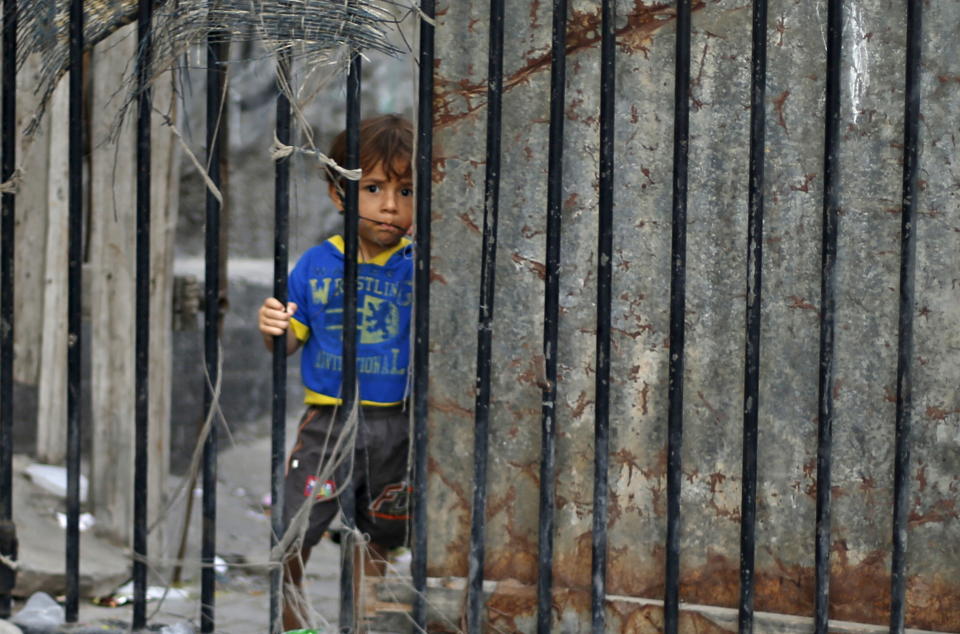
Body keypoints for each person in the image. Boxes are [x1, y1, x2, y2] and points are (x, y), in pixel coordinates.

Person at [257, 114, 415, 630]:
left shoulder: (420, 265)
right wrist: (272, 323)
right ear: (338, 194)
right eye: (373, 187)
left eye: (406, 190)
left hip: (396, 427)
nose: (390, 205)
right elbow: (284, 343)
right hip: (326, 426)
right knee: (294, 533)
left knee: (378, 536)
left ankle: (362, 625)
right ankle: (294, 623)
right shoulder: (315, 265)